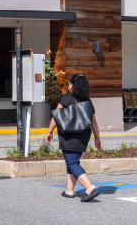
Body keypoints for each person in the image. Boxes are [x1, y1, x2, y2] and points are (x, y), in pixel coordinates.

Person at [46, 74, 102, 202]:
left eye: (69, 83)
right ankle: (69, 190)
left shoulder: (66, 98)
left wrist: (50, 131)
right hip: (83, 135)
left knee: (71, 162)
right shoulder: (88, 101)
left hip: (69, 135)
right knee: (73, 161)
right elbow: (94, 121)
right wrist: (97, 137)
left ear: (72, 85)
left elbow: (56, 116)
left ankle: (88, 187)